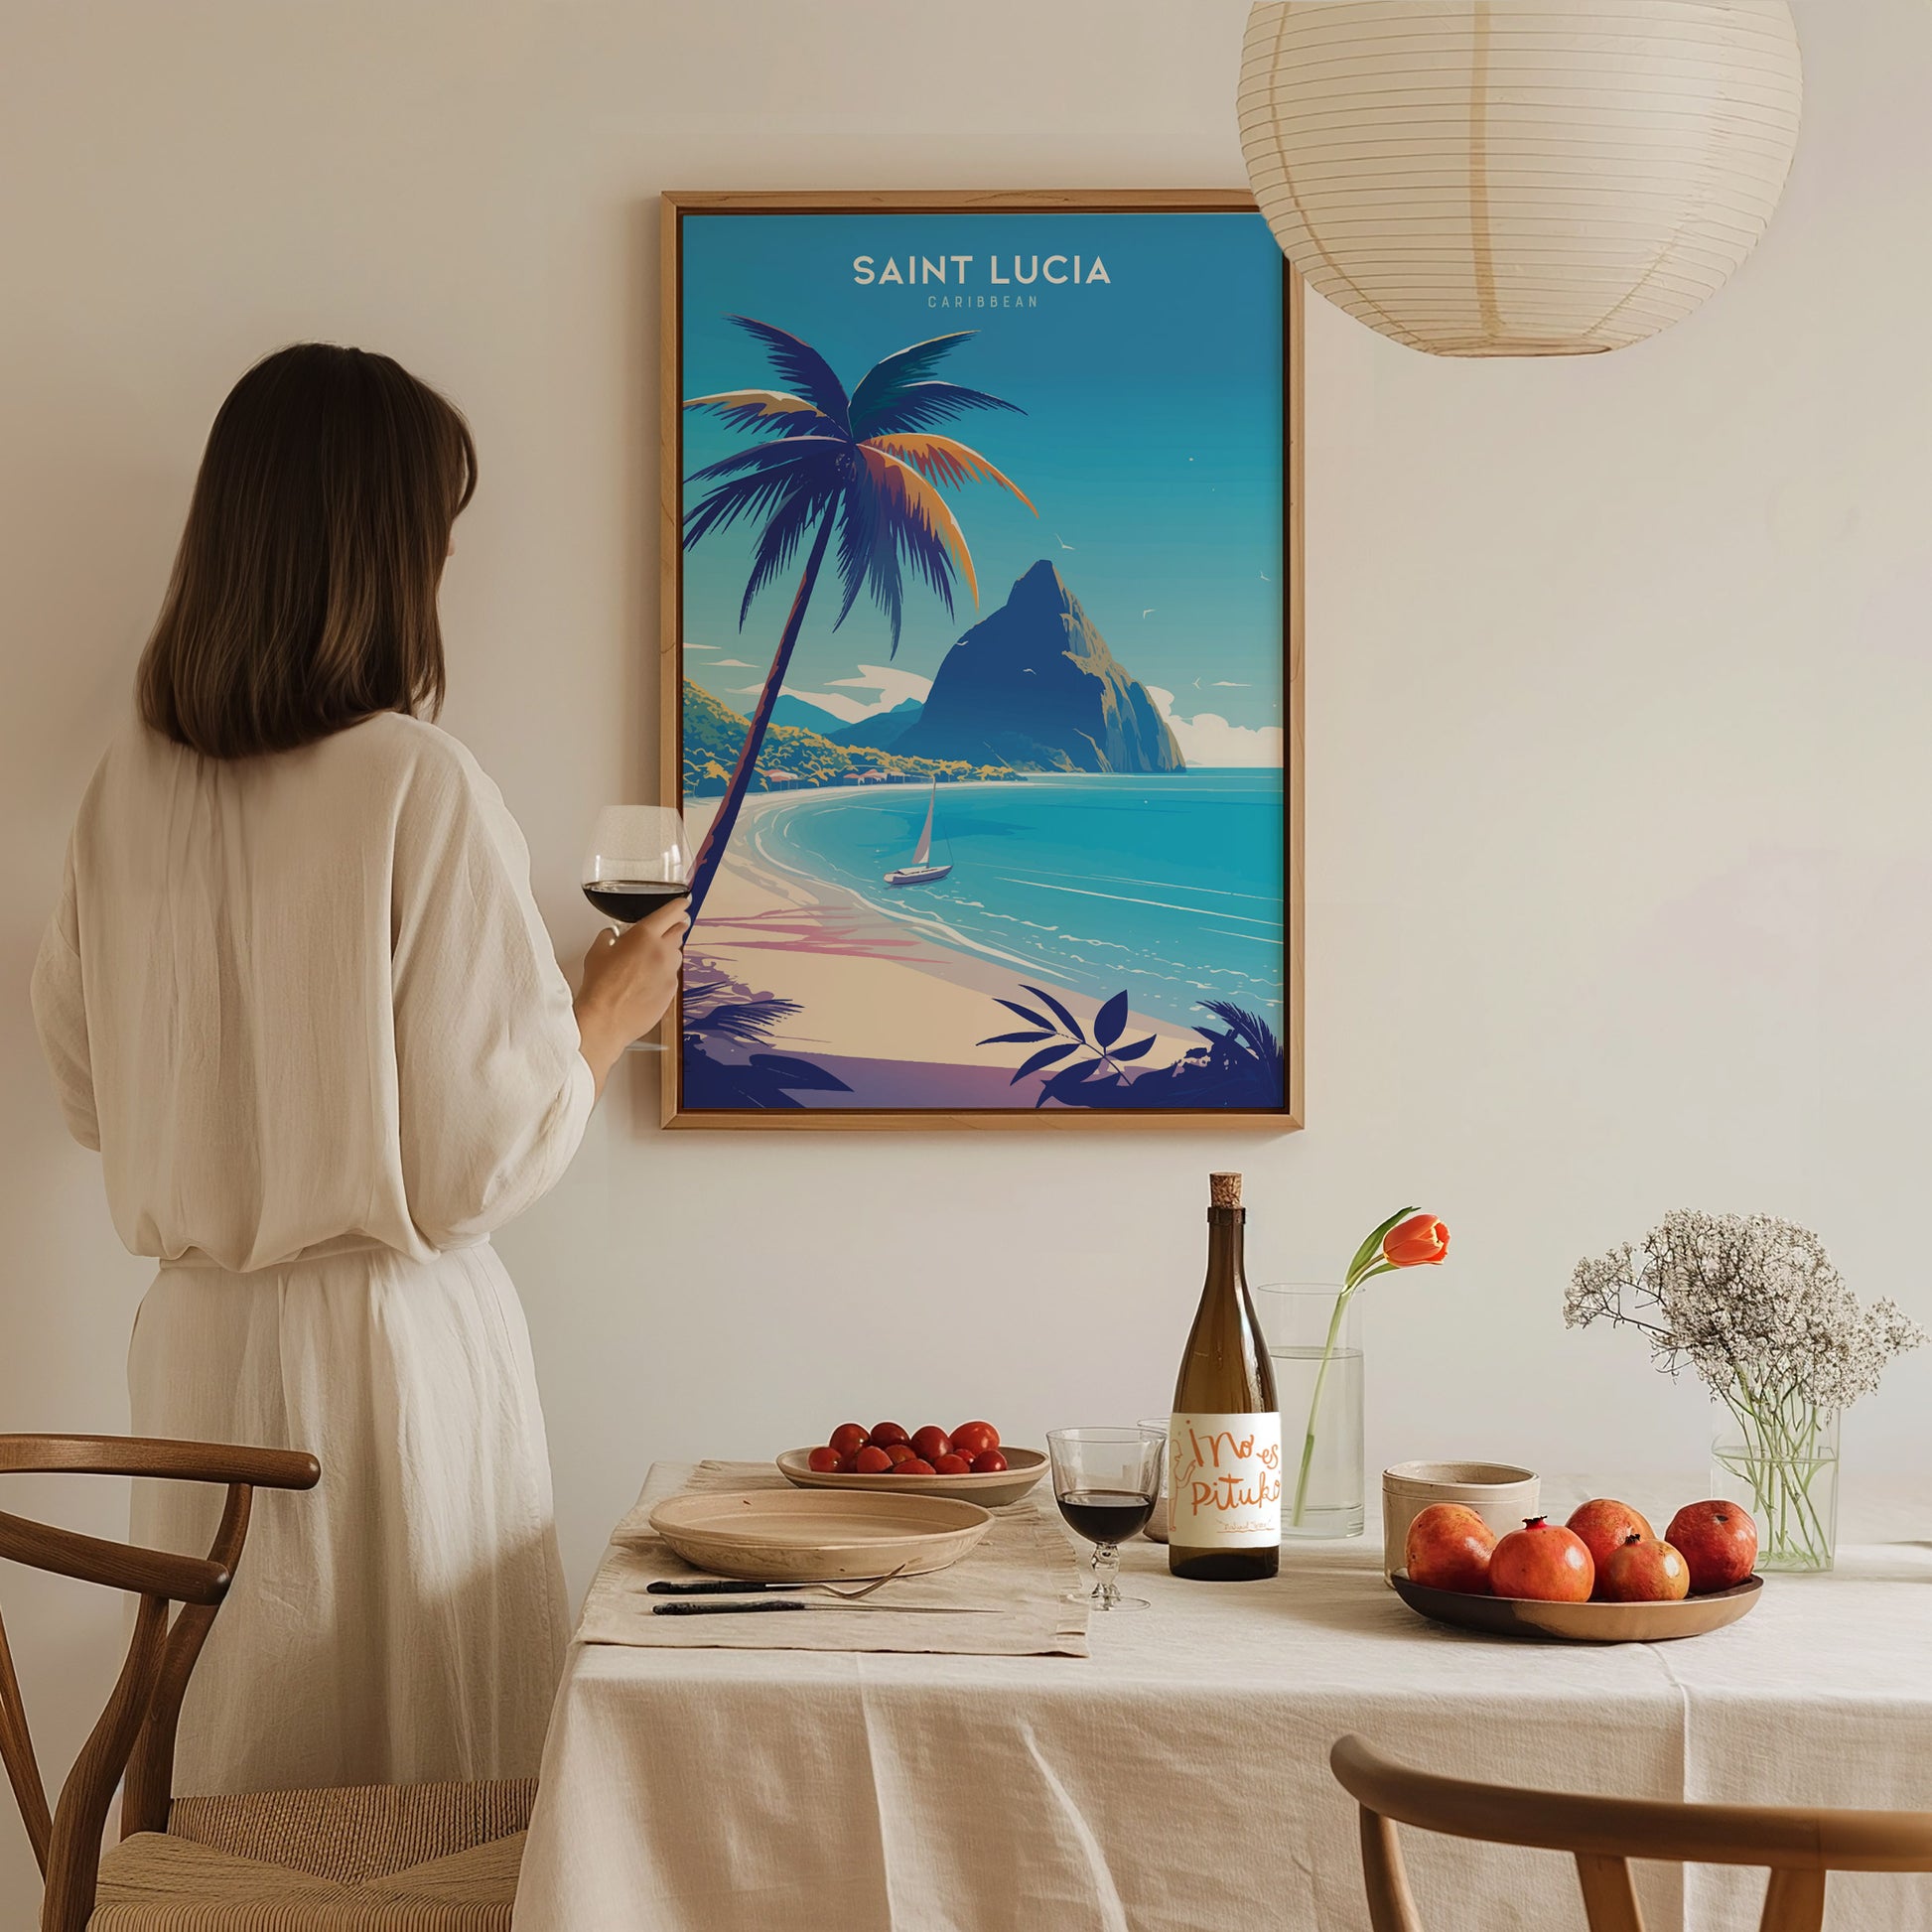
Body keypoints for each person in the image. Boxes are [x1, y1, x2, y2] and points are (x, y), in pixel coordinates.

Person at [29, 343, 683, 1793]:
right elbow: (472, 1164)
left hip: (197, 1351)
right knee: (420, 1800)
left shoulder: (122, 791)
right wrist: (603, 1012)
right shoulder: (414, 780)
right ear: (385, 553)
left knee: (238, 1777)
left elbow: (87, 1093)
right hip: (387, 1362)